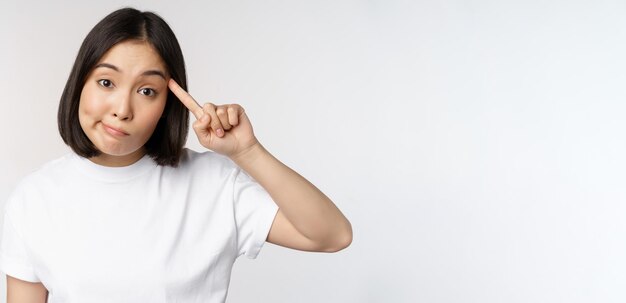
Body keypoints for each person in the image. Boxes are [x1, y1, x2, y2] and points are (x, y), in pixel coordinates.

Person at [0, 7, 352, 303]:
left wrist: (248, 151)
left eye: (147, 90)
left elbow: (332, 235)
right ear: (80, 83)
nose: (122, 109)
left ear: (168, 105)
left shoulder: (212, 184)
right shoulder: (35, 199)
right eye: (106, 82)